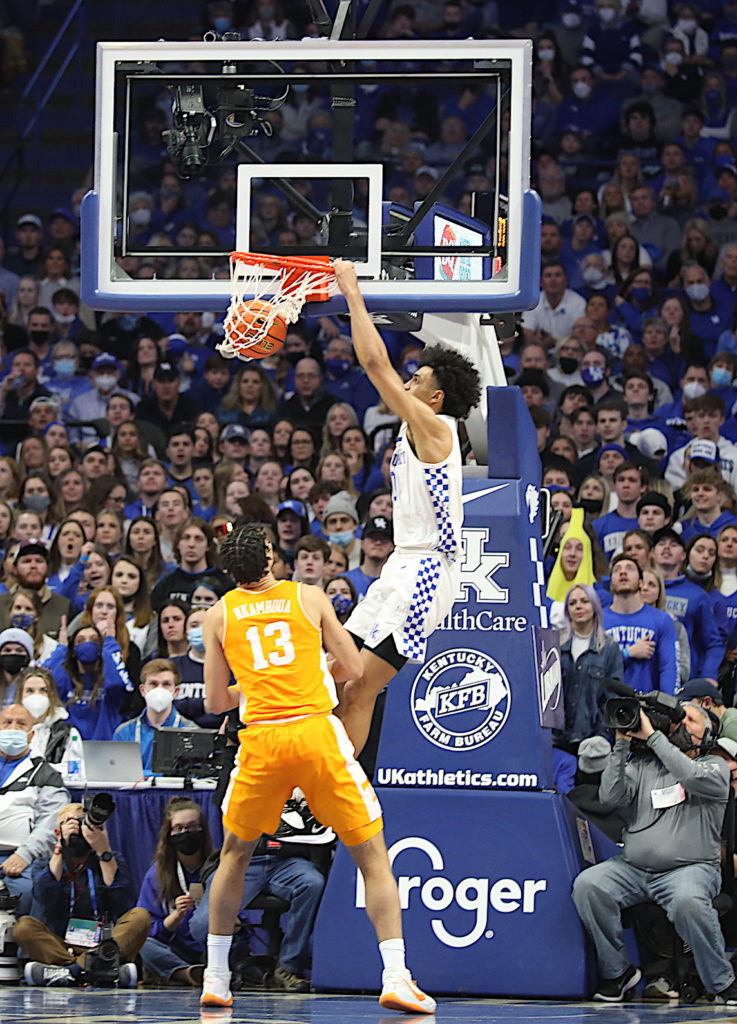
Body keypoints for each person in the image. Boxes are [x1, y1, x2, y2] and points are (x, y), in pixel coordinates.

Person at [199, 524, 435, 1013]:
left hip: (262, 741)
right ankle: (396, 975)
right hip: (314, 734)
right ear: (269, 558)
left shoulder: (218, 614)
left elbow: (217, 701)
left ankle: (216, 977)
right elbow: (352, 669)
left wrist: (259, 684)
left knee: (234, 856)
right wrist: (311, 671)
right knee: (373, 856)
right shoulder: (307, 597)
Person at [332, 260, 482, 755]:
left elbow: (376, 366)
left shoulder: (435, 428)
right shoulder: (419, 425)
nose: (406, 383)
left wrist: (352, 293)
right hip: (403, 563)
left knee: (360, 688)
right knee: (338, 678)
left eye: (416, 379)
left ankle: (337, 790)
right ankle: (322, 779)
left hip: (426, 571)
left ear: (435, 397)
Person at [571, 702, 737, 1005]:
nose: (681, 722)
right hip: (633, 868)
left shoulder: (714, 766)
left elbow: (690, 777)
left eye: (691, 719)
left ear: (708, 732)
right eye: (679, 717)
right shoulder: (644, 764)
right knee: (589, 885)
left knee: (688, 901)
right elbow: (609, 797)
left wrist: (653, 738)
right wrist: (621, 744)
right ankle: (618, 973)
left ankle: (722, 982)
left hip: (690, 869)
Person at [14, 801, 150, 988]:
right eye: (70, 822)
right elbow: (45, 896)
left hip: (103, 943)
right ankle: (102, 971)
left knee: (140, 916)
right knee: (23, 926)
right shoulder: (43, 864)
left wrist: (103, 850)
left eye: (81, 822)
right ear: (57, 832)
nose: (77, 827)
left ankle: (70, 972)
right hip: (61, 946)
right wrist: (60, 846)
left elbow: (121, 901)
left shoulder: (112, 859)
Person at [0, 703, 68, 916]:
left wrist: (25, 855)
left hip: (21, 857)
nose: (13, 729)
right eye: (6, 723)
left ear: (32, 735)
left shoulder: (46, 774)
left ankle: (25, 939)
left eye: (21, 724)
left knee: (29, 892)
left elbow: (50, 823)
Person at [137, 797, 212, 986]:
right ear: (169, 834)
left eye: (192, 827)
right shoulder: (157, 874)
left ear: (203, 829)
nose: (186, 833)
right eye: (178, 828)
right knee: (143, 944)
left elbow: (241, 919)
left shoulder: (217, 867)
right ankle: (186, 973)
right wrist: (175, 916)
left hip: (212, 947)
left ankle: (185, 974)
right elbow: (147, 929)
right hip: (175, 949)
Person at [558, 584, 624, 751]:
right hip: (557, 739)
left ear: (594, 606)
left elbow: (612, 698)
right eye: (572, 603)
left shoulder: (610, 648)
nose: (578, 606)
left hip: (592, 740)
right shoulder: (554, 644)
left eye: (584, 601)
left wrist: (601, 736)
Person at [603, 554, 678, 694]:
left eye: (629, 569)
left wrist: (667, 702)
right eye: (617, 570)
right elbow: (594, 668)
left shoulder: (661, 620)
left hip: (646, 702)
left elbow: (668, 668)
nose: (623, 572)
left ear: (641, 583)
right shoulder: (598, 620)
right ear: (611, 584)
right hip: (606, 703)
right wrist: (628, 653)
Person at [113, 659, 194, 774]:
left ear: (176, 692)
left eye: (166, 684)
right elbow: (117, 774)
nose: (159, 689)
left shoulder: (192, 732)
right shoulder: (124, 732)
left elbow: (195, 776)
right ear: (143, 690)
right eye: (153, 684)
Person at [18, 666, 83, 780]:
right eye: (30, 691)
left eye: (43, 690)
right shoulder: (9, 731)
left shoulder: (67, 734)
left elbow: (75, 773)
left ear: (51, 694)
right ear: (21, 695)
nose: (36, 696)